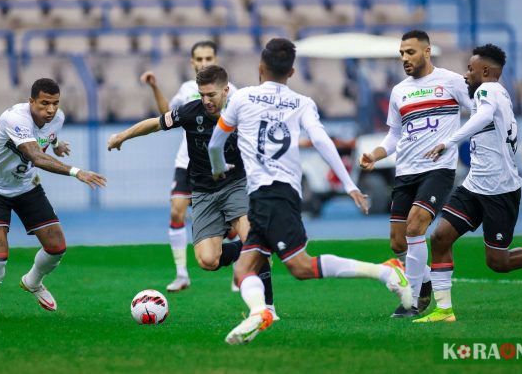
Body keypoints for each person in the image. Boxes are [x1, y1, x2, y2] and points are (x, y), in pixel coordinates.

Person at [208, 38, 411, 345]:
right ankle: (259, 313)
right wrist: (349, 184)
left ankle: (385, 272)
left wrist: (217, 167)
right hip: (278, 195)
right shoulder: (302, 102)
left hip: (270, 196)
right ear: (291, 71)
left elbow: (214, 143)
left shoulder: (241, 98)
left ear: (260, 68)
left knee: (301, 267)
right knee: (244, 269)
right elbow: (322, 141)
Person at [108, 65, 277, 317]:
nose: (206, 101)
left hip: (235, 186)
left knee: (250, 238)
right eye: (202, 95)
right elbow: (155, 124)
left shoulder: (242, 112)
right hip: (203, 192)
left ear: (226, 90)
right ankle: (257, 246)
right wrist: (122, 136)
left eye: (212, 94)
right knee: (207, 261)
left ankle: (268, 308)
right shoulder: (190, 112)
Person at [415, 44, 522, 322]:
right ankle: (444, 310)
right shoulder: (497, 93)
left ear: (485, 71)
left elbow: (482, 116)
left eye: (470, 69)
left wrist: (449, 141)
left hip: (500, 189)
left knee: (498, 263)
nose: (466, 74)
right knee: (440, 237)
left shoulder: (488, 90)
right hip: (474, 185)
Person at [359, 30, 472, 317]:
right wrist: (374, 154)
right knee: (398, 241)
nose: (404, 58)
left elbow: (478, 113)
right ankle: (425, 285)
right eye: (401, 53)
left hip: (438, 170)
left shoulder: (452, 81)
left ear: (427, 51)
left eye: (410, 52)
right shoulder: (400, 91)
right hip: (405, 172)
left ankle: (409, 301)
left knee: (414, 227)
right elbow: (394, 136)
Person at [0, 78, 107, 320]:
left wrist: (57, 145)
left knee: (57, 248)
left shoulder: (57, 117)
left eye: (55, 103)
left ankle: (33, 282)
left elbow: (49, 134)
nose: (50, 109)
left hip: (27, 187)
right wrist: (76, 171)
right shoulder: (14, 119)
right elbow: (36, 156)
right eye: (44, 103)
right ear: (31, 101)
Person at [140, 40, 238, 292]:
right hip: (188, 161)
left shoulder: (233, 92)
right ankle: (182, 274)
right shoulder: (187, 89)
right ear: (192, 62)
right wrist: (154, 87)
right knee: (176, 212)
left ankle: (241, 268)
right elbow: (165, 115)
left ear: (216, 59)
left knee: (235, 216)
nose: (204, 62)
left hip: (222, 164)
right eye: (199, 59)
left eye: (209, 58)